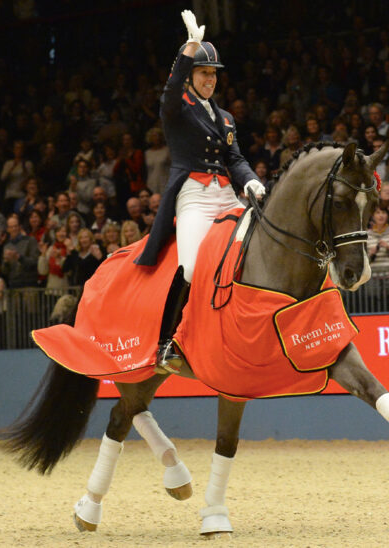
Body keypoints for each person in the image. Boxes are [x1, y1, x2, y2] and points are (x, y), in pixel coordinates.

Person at [134, 10, 264, 371]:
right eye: (204, 72)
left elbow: (235, 159)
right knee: (190, 267)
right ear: (191, 76)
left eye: (213, 73)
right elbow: (171, 87)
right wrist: (188, 49)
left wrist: (251, 180)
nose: (210, 79)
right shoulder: (177, 107)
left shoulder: (225, 118)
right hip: (193, 194)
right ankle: (167, 343)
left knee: (253, 254)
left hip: (226, 194)